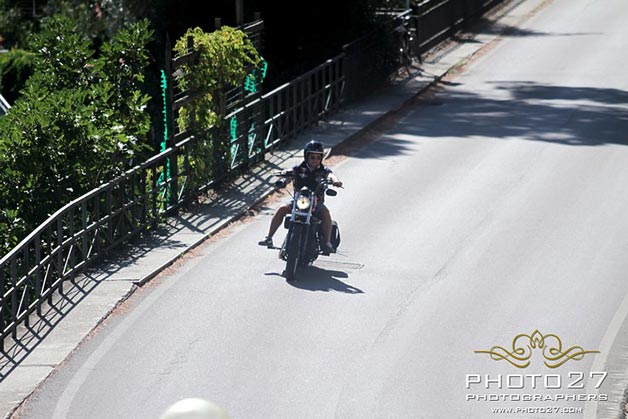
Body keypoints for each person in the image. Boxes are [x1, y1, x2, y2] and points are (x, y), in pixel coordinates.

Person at [258, 140, 343, 253]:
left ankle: (327, 243)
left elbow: (331, 175)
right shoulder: (298, 169)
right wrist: (283, 180)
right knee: (282, 208)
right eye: (312, 157)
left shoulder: (323, 171)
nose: (315, 160)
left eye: (318, 158)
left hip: (316, 203)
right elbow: (289, 175)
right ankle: (269, 238)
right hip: (299, 201)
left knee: (326, 214)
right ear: (306, 156)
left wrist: (336, 181)